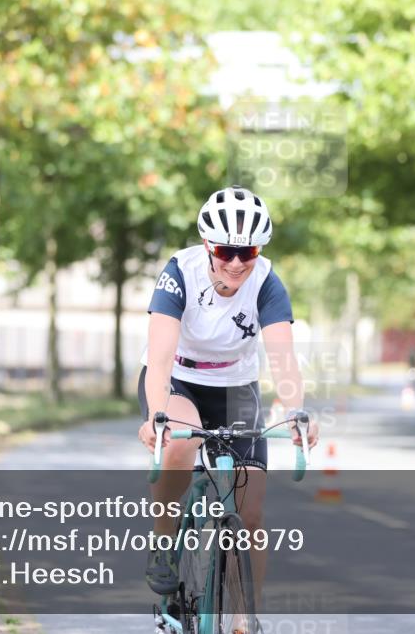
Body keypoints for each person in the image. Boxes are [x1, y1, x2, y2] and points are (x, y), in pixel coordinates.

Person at [136, 185, 320, 610]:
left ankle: (244, 617)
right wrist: (158, 415)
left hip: (236, 386)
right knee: (182, 446)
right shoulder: (179, 272)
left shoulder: (267, 281)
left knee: (251, 514)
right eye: (224, 251)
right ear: (207, 245)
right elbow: (161, 356)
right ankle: (164, 543)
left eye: (248, 252)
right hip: (179, 379)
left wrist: (296, 412)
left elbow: (282, 356)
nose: (236, 262)